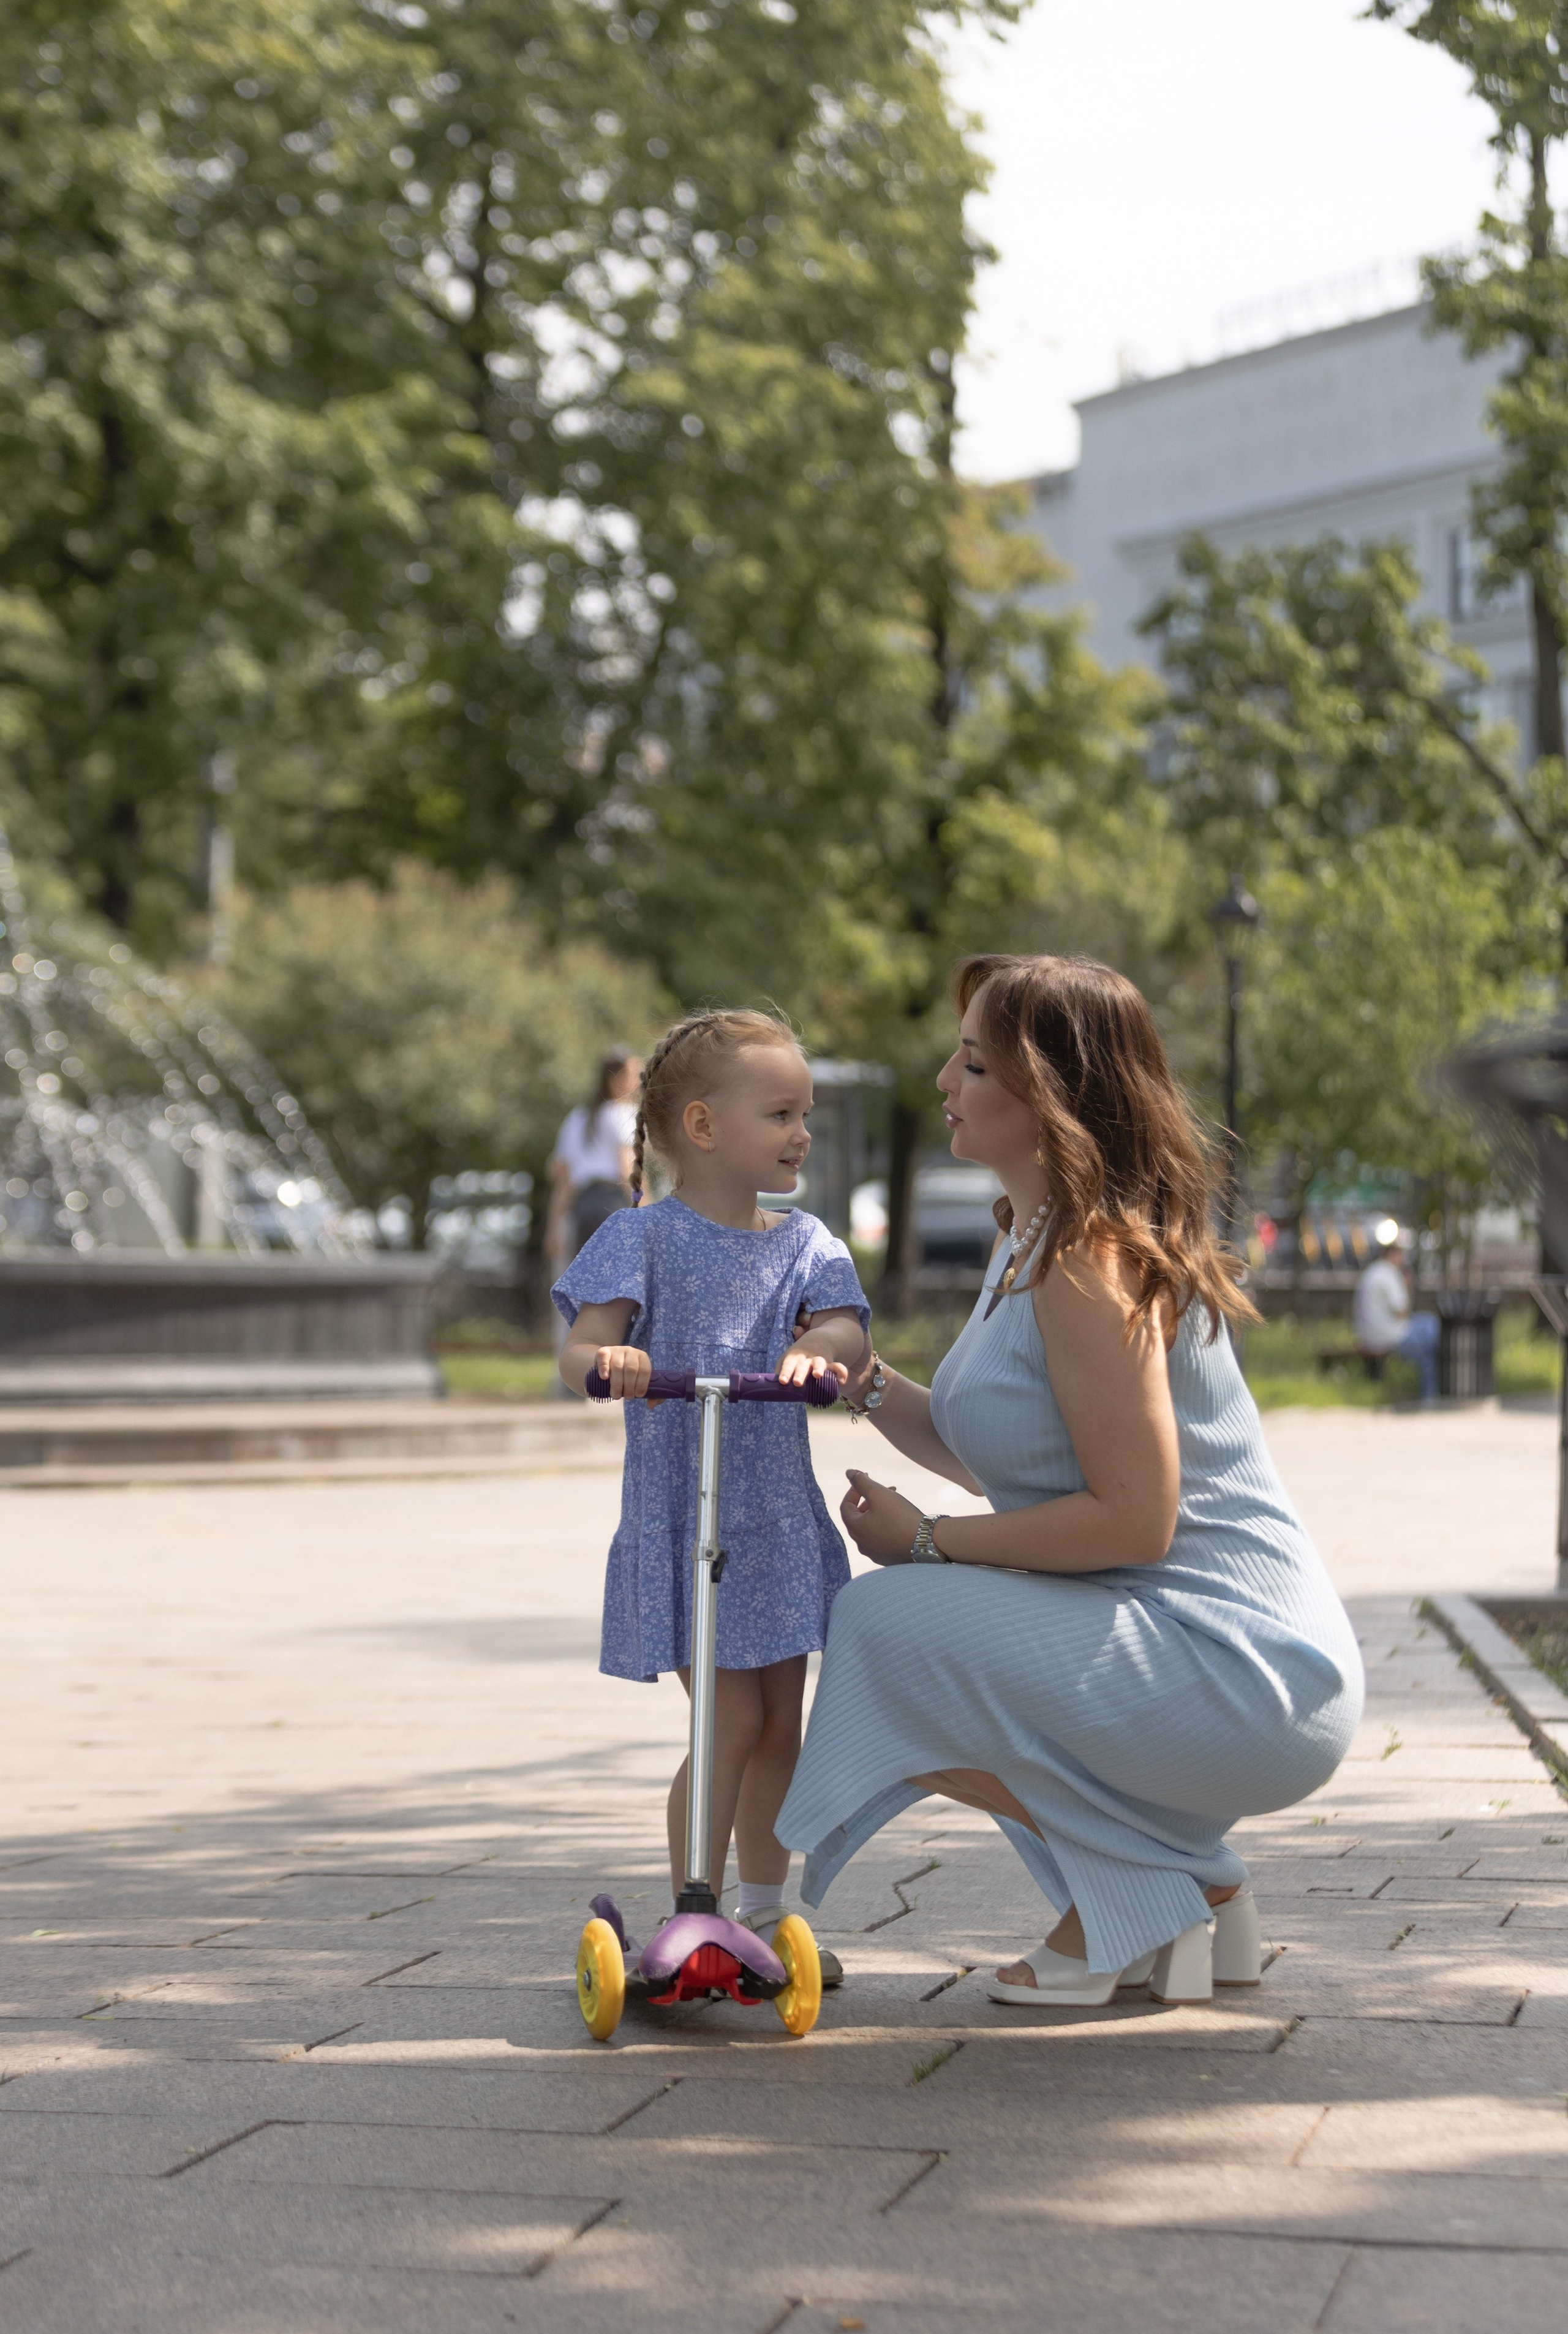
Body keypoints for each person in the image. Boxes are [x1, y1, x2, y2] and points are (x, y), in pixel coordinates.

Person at [777, 953, 1365, 2007]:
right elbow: (1016, 1456)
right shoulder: (1036, 1239)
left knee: (888, 1628)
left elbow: (1134, 1521)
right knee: (931, 1640)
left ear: (1048, 1097)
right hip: (1192, 1643)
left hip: (1245, 1665)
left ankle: (1130, 1908)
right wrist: (859, 1383)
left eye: (973, 1066)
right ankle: (1199, 1898)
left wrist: (928, 1542)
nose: (946, 1087)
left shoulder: (1088, 1261)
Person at [553, 1009, 870, 1977]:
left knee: (784, 1720)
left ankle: (767, 1911)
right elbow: (576, 1352)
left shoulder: (805, 1241)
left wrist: (818, 1353)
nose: (800, 1132)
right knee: (726, 1717)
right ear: (702, 1127)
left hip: (770, 1516)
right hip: (687, 1516)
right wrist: (608, 1358)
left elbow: (848, 1331)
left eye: (804, 1112)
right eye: (779, 1112)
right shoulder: (640, 1237)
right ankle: (693, 1903)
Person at [546, 1049, 643, 1271]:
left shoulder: (576, 1118)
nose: (638, 1080)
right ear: (615, 1079)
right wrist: (645, 1208)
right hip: (613, 1204)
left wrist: (553, 1229)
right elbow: (627, 1169)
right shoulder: (624, 1113)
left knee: (587, 1286)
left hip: (583, 1208)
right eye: (633, 1073)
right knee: (619, 1289)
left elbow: (562, 1178)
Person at [1354, 1227, 1439, 1404]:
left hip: (1368, 1334)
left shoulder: (1372, 1271)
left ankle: (1432, 1395)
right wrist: (1407, 1286)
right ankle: (1431, 1397)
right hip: (1389, 1336)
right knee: (1433, 1336)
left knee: (1428, 1324)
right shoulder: (1389, 1274)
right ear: (1393, 1254)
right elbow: (1402, 1313)